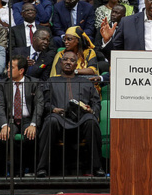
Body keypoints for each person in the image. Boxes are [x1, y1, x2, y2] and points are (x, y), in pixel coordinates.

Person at [36, 50, 104, 178]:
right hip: (59, 119)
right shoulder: (52, 81)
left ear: (76, 64)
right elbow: (44, 103)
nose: (68, 62)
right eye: (66, 59)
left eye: (72, 60)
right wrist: (53, 109)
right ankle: (42, 168)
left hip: (81, 120)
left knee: (91, 120)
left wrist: (91, 110)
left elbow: (96, 103)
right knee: (51, 120)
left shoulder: (86, 82)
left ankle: (97, 167)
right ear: (61, 62)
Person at [0, 55, 45, 172]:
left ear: (21, 71)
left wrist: (33, 124)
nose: (7, 70)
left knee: (31, 136)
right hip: (10, 120)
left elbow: (39, 105)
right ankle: (14, 171)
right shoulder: (3, 84)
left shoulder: (34, 83)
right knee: (5, 137)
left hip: (27, 120)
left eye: (11, 67)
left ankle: (30, 169)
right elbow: (0, 106)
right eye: (7, 67)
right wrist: (4, 125)